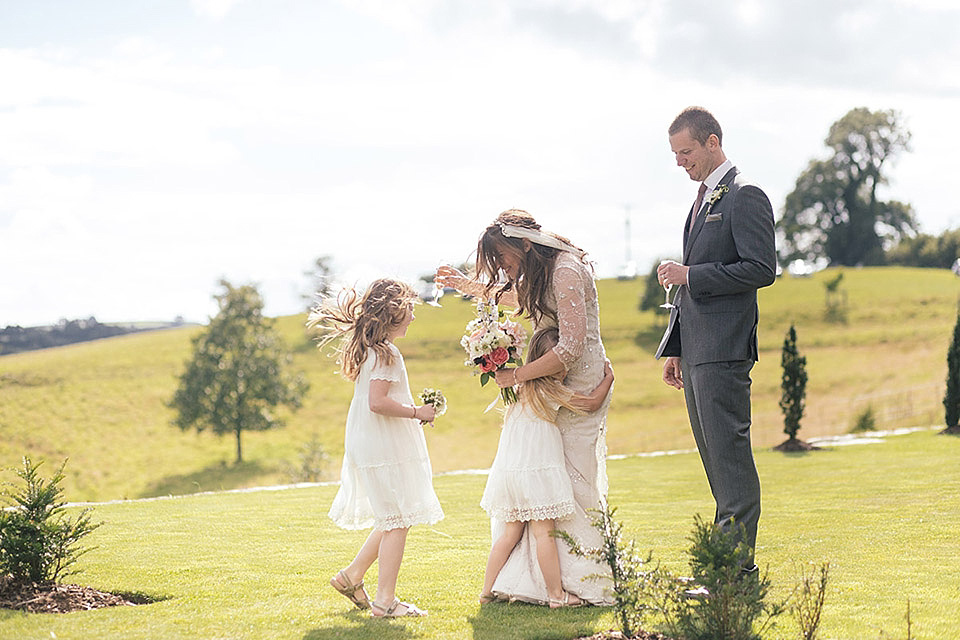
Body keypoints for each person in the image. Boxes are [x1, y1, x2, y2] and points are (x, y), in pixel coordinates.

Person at [437, 209, 614, 606]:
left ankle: (584, 574)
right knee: (554, 486)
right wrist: (467, 285)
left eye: (502, 256)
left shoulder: (567, 269)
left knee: (576, 481)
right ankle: (548, 583)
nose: (501, 266)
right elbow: (516, 298)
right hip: (548, 382)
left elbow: (569, 348)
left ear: (526, 244)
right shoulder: (540, 273)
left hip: (574, 382)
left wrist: (518, 377)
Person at [654, 106, 777, 574]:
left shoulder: (745, 195)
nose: (680, 162)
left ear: (712, 143)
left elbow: (761, 269)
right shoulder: (702, 199)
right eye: (675, 154)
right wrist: (677, 347)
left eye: (686, 152)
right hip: (699, 352)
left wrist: (689, 273)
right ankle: (723, 566)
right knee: (715, 464)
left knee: (731, 463)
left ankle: (733, 571)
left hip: (725, 352)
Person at [307, 278, 444, 618]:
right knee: (398, 520)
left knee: (392, 517)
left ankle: (351, 576)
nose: (413, 316)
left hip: (371, 442)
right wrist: (417, 412)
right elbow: (377, 402)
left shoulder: (373, 350)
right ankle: (385, 602)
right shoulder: (386, 353)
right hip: (382, 445)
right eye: (409, 309)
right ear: (393, 312)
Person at [479, 327, 615, 608]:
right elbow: (591, 404)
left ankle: (487, 590)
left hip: (510, 473)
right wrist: (608, 378)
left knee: (509, 535)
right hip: (538, 474)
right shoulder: (551, 390)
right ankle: (556, 594)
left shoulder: (518, 388)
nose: (564, 370)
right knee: (545, 534)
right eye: (561, 365)